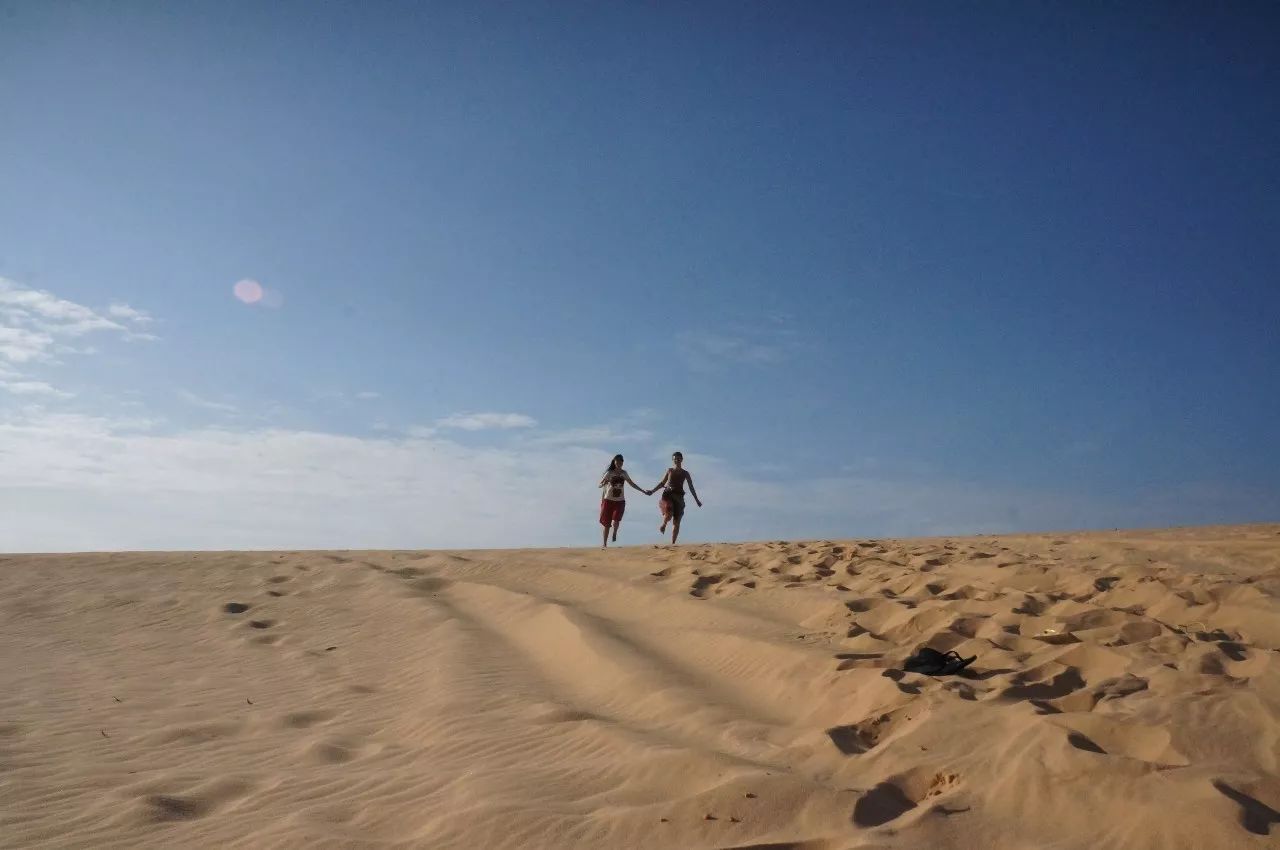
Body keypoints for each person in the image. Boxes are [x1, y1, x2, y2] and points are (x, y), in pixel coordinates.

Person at [598, 454, 651, 548]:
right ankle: (604, 544)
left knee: (617, 520)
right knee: (607, 524)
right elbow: (600, 484)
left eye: (620, 461)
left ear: (622, 462)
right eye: (617, 461)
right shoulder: (609, 473)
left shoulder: (624, 473)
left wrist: (642, 490)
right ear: (614, 462)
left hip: (620, 501)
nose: (619, 463)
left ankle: (614, 532)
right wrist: (603, 483)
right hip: (608, 500)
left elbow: (632, 484)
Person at [652, 451, 702, 544]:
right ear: (673, 460)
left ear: (682, 460)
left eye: (678, 459)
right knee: (669, 510)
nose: (677, 460)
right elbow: (662, 483)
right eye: (675, 459)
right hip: (668, 495)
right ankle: (664, 524)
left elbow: (691, 487)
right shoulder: (670, 470)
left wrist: (697, 500)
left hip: (679, 497)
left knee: (677, 522)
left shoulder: (685, 473)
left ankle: (673, 543)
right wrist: (652, 491)